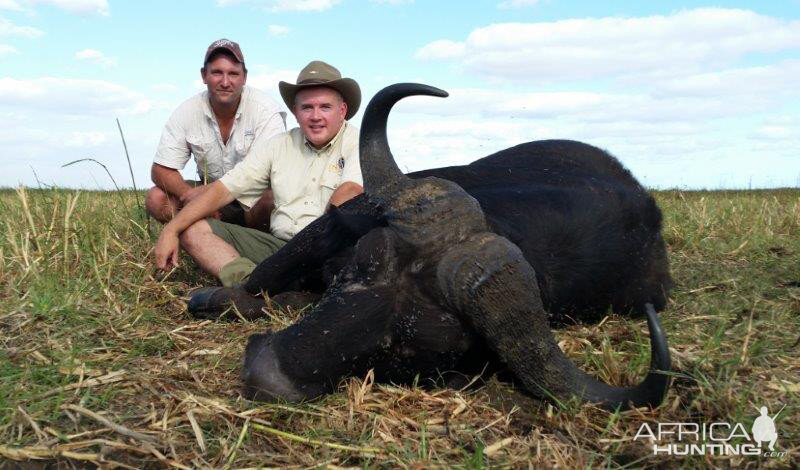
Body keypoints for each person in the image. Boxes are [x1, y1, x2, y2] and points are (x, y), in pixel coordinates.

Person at [154, 60, 364, 287]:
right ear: (295, 112)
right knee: (192, 229)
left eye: (325, 107)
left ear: (342, 111)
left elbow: (349, 192)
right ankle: (250, 287)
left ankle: (287, 284)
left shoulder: (359, 143)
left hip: (329, 251)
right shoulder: (278, 145)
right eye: (306, 107)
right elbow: (224, 189)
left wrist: (309, 253)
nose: (315, 116)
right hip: (280, 247)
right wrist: (171, 229)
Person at [146, 39, 286, 229]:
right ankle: (206, 232)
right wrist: (191, 195)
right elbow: (160, 169)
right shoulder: (187, 110)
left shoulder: (266, 111)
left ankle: (251, 238)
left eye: (233, 74)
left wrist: (210, 197)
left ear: (244, 77)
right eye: (217, 73)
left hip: (251, 196)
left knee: (271, 199)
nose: (225, 82)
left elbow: (262, 174)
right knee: (156, 198)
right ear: (204, 75)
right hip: (208, 195)